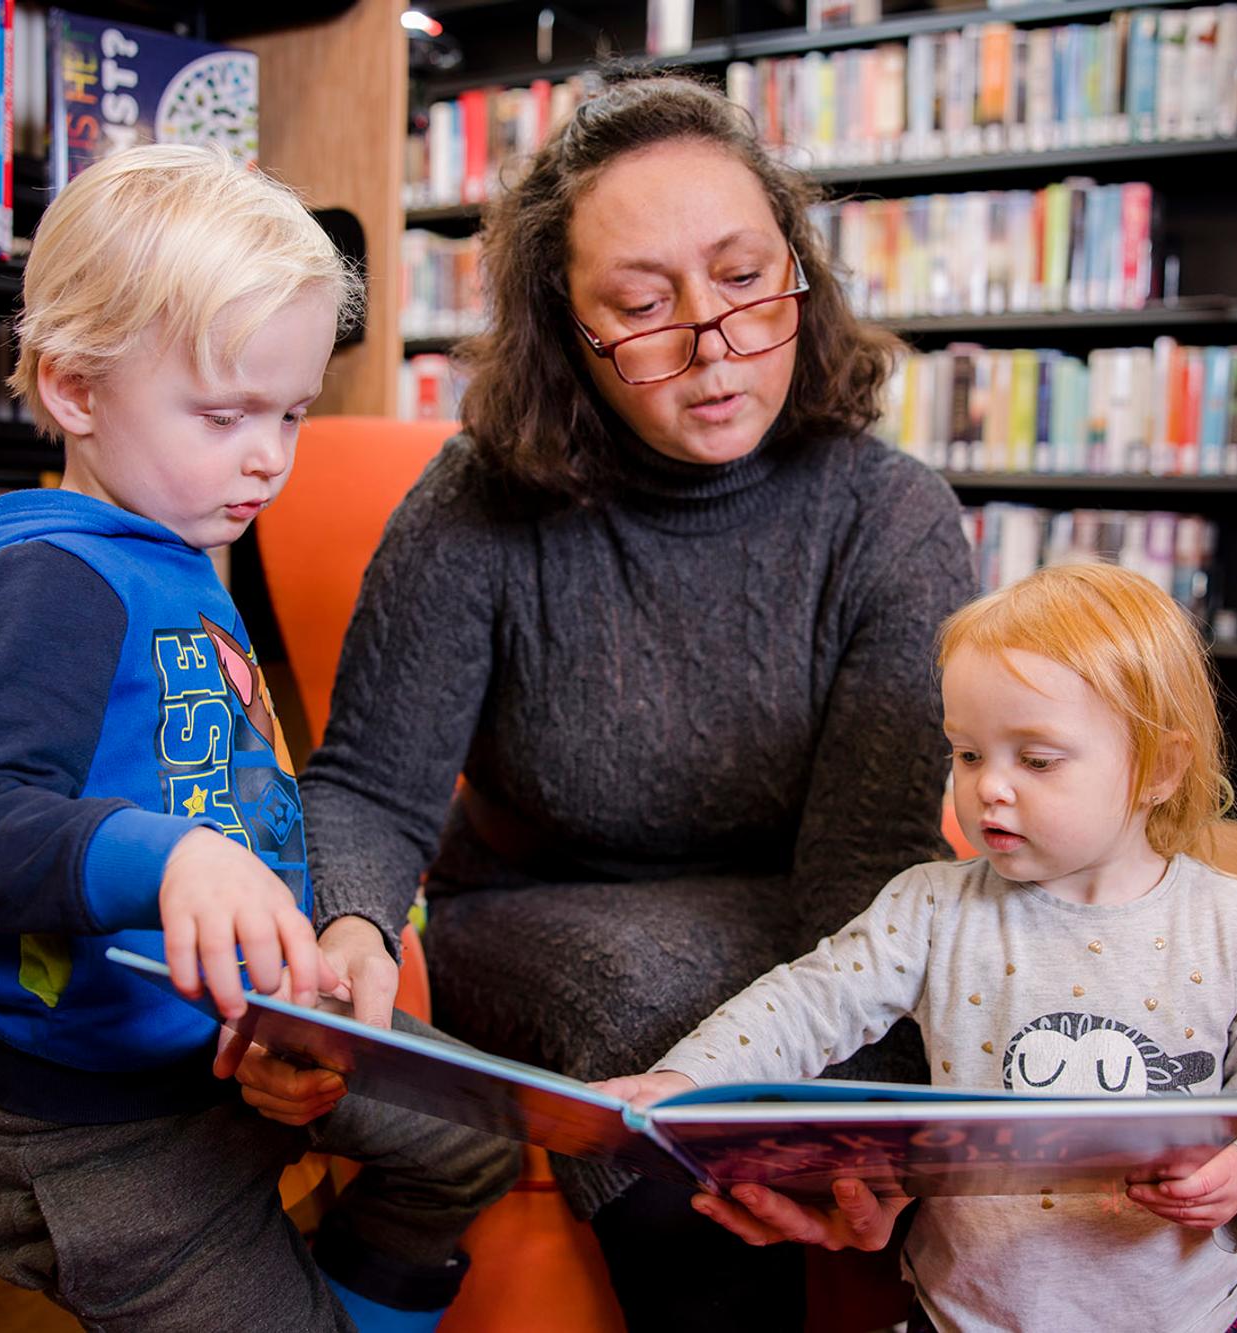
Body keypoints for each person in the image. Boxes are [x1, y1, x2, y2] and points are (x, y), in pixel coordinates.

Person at [231, 74, 976, 1328]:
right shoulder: (479, 503)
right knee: (662, 1054)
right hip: (537, 908)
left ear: (798, 268)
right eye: (639, 306)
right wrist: (353, 927)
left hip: (809, 921)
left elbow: (866, 870)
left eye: (745, 278)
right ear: (565, 333)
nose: (714, 343)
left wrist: (868, 1104)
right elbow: (366, 780)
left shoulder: (890, 517)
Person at [0, 144, 517, 1333]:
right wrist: (173, 858)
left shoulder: (168, 537)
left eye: (290, 412)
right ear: (75, 389)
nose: (269, 455)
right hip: (100, 1134)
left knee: (470, 1138)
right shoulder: (49, 581)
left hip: (236, 1052)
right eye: (225, 413)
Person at [595, 560, 1237, 1333]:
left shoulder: (1234, 924)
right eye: (969, 753)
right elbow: (807, 1001)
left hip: (1183, 1318)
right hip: (964, 1316)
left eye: (1036, 759)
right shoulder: (933, 906)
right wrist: (687, 1079)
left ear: (1160, 767)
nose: (989, 788)